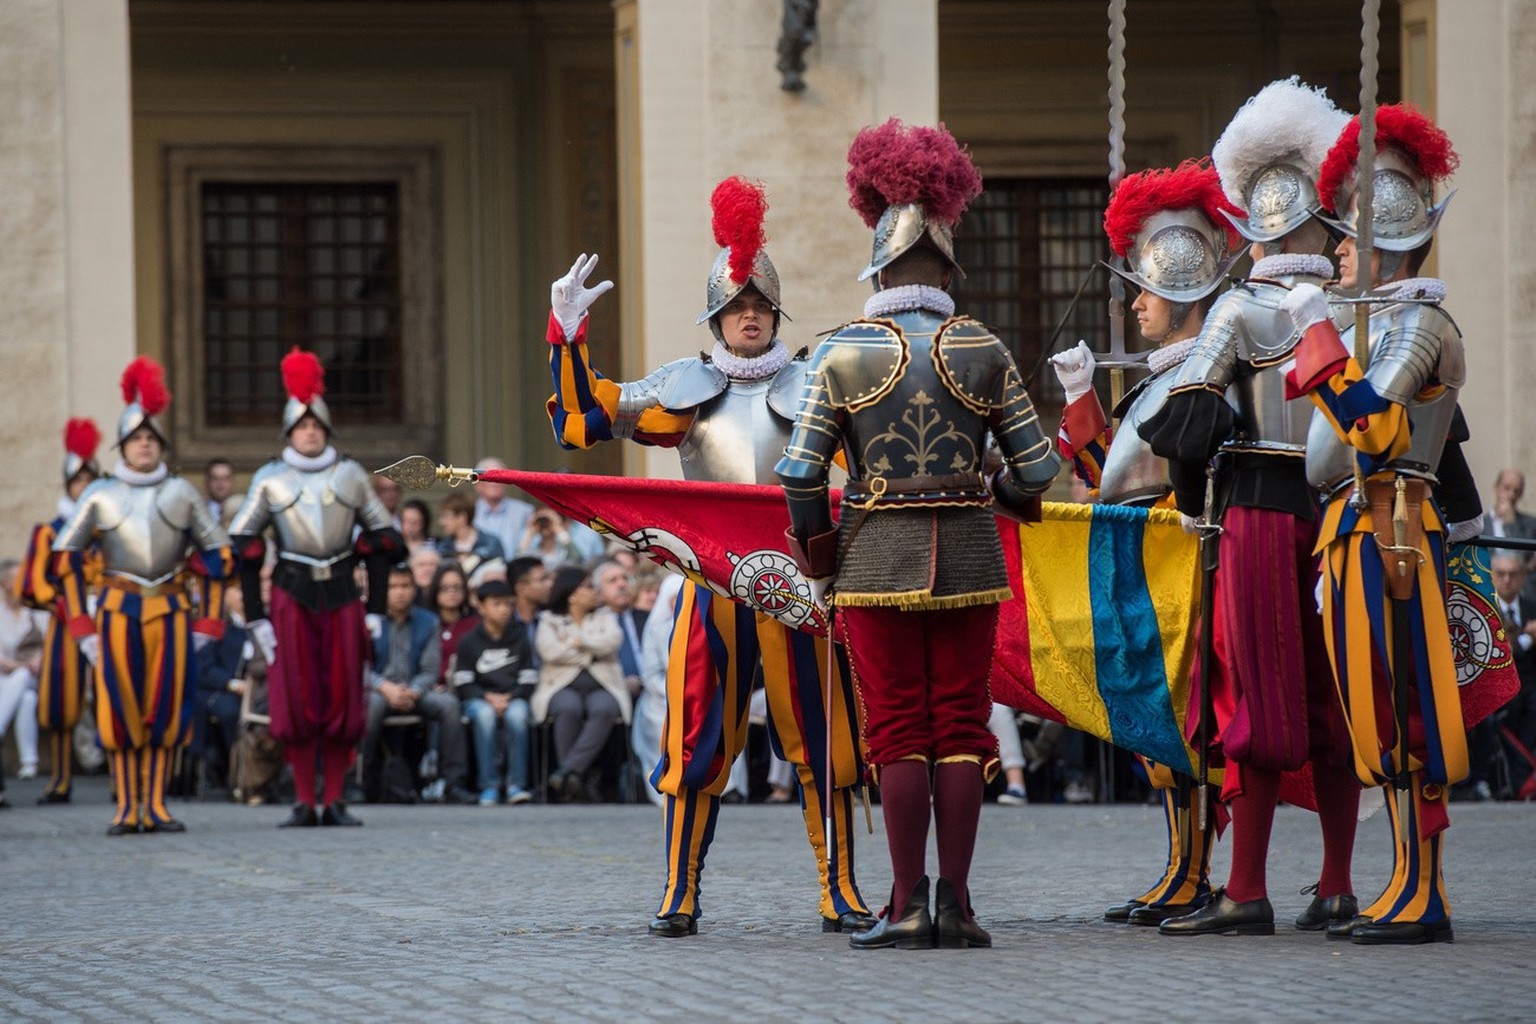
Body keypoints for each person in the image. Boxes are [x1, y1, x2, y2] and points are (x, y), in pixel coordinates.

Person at [544, 177, 873, 935]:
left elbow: (868, 467)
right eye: (736, 307)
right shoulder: (683, 391)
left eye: (758, 306)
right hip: (711, 584)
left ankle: (841, 890)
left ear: (775, 314)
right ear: (717, 318)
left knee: (825, 746)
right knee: (694, 744)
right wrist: (567, 335)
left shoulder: (819, 385)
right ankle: (679, 890)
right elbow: (579, 424)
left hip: (802, 585)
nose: (748, 316)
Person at [778, 119, 1060, 949]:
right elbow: (1039, 474)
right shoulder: (982, 347)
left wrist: (821, 559)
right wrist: (995, 493)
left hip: (872, 556)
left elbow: (800, 476)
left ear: (879, 266)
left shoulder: (840, 353)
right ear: (945, 265)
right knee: (963, 725)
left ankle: (905, 904)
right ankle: (959, 905)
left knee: (897, 726)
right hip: (971, 550)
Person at [1137, 79, 1365, 940]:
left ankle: (1246, 888)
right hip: (1344, 511)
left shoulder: (1237, 307)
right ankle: (1339, 883)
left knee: (1254, 702)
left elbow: (1187, 428)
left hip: (1260, 516)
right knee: (1334, 695)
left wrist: (1196, 508)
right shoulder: (1353, 306)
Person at [1280, 103, 1465, 944]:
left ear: (1385, 236)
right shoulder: (1385, 324)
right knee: (1375, 720)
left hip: (1396, 535)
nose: (1338, 249)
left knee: (1410, 712)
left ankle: (1425, 889)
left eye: (1348, 237)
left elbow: (1376, 432)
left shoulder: (1420, 323)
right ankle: (1397, 879)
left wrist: (1319, 334)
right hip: (1355, 530)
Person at [1052, 156, 1244, 925]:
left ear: (1180, 288)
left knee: (1190, 724)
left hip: (1189, 569)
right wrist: (1078, 401)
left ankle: (1198, 871)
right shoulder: (1151, 384)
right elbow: (1109, 479)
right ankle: (1177, 865)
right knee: (1155, 730)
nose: (1133, 305)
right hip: (1141, 570)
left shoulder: (1205, 376)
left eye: (1145, 290)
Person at [53, 357, 234, 834]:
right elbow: (63, 562)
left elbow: (221, 557)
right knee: (118, 706)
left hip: (172, 610)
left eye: (152, 438)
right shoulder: (99, 495)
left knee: (167, 706)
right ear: (124, 446)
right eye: (137, 439)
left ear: (161, 445)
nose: (145, 444)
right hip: (116, 610)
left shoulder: (183, 493)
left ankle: (155, 804)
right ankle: (125, 807)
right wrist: (81, 628)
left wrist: (209, 623)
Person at [228, 348, 406, 829]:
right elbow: (242, 547)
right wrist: (256, 618)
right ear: (289, 432)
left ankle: (337, 798)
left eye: (316, 426)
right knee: (298, 699)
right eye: (301, 426)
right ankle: (306, 798)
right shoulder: (269, 479)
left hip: (344, 596)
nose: (309, 432)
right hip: (291, 596)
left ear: (326, 430)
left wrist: (375, 609)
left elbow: (383, 541)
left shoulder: (349, 473)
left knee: (344, 696)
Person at [16, 417, 104, 804]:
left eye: (90, 482)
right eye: (78, 482)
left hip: (110, 618)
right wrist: (67, 601)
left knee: (115, 697)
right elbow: (31, 585)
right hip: (67, 625)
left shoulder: (109, 529)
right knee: (61, 701)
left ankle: (123, 781)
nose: (84, 488)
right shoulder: (49, 532)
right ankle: (61, 778)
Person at [363, 564, 472, 805]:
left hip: (416, 690)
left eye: (405, 586)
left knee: (449, 705)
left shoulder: (428, 621)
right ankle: (360, 781)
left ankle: (454, 783)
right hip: (378, 690)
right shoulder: (368, 619)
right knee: (371, 706)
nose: (400, 592)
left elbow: (430, 669)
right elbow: (359, 666)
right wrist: (385, 687)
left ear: (415, 589)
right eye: (393, 587)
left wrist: (413, 690)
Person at [533, 566, 629, 802]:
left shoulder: (605, 617)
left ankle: (567, 772)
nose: (594, 591)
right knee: (568, 708)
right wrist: (591, 652)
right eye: (587, 586)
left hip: (602, 684)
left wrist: (578, 641)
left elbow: (612, 641)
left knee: (606, 709)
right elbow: (549, 651)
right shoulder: (549, 620)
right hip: (560, 685)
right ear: (572, 594)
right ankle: (574, 781)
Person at [452, 578, 537, 805]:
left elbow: (529, 678)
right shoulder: (468, 641)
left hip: (514, 698)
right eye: (496, 604)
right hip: (479, 700)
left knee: (518, 716)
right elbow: (463, 682)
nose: (503, 610)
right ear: (481, 607)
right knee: (484, 716)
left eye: (508, 604)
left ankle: (516, 784)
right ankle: (488, 785)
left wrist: (510, 697)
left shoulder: (520, 637)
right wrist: (486, 697)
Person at [192, 582, 252, 796]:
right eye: (237, 590)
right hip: (221, 689)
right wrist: (231, 684)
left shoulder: (262, 625)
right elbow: (204, 666)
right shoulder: (217, 626)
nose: (243, 595)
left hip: (258, 691)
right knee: (231, 713)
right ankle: (233, 771)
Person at [0, 559, 46, 793]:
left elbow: (49, 644)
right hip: (5, 679)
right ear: (5, 584)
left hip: (32, 676)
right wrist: (20, 665)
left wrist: (36, 662)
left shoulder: (34, 611)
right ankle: (29, 762)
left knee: (22, 681)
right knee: (27, 698)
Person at [471, 456, 534, 559]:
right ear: (478, 484)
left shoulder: (525, 511)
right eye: (490, 479)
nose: (496, 484)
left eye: (500, 478)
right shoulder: (470, 512)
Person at [428, 562, 479, 689]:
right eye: (445, 588)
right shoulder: (425, 623)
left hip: (466, 688)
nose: (452, 593)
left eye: (457, 587)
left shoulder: (475, 624)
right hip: (429, 688)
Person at [435, 491, 505, 580]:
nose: (442, 522)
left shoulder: (491, 544)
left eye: (446, 517)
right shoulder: (443, 546)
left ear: (462, 517)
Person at [514, 504, 587, 570]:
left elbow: (577, 559)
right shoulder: (533, 549)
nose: (544, 524)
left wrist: (557, 527)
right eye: (541, 520)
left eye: (547, 520)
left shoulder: (564, 548)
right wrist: (530, 531)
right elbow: (518, 562)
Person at [204, 458, 237, 524]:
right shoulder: (197, 512)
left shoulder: (243, 512)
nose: (220, 483)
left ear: (233, 481)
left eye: (226, 478)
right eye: (215, 478)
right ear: (207, 482)